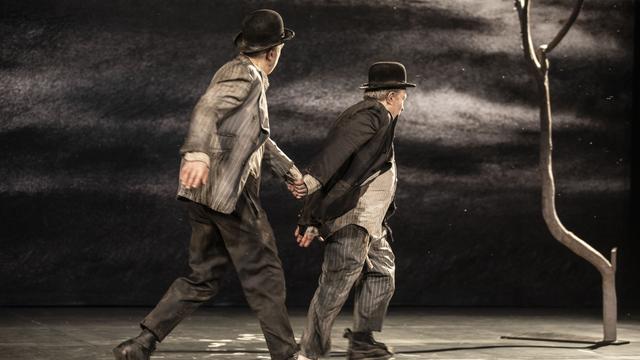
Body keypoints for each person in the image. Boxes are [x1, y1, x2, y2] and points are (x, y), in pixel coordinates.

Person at [113, 9, 301, 360]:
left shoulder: (246, 76)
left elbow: (256, 138)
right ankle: (286, 353)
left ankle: (140, 343)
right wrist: (196, 152)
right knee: (265, 272)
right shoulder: (242, 75)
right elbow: (206, 109)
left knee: (204, 276)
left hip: (206, 196)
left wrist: (291, 173)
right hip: (228, 194)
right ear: (273, 52)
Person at [290, 62, 415, 360]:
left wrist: (311, 216)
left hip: (370, 222)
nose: (404, 104)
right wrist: (311, 185)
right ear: (390, 97)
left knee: (382, 272)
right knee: (336, 282)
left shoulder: (379, 117)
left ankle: (361, 339)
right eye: (402, 98)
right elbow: (337, 153)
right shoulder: (370, 114)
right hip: (353, 218)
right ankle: (309, 350)